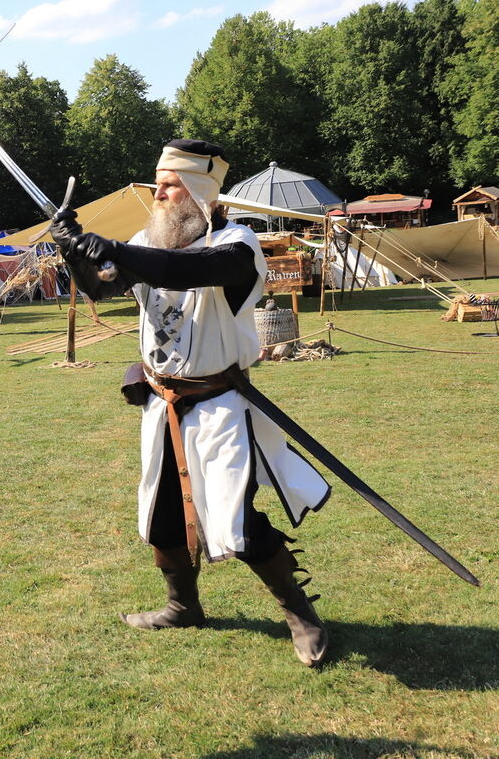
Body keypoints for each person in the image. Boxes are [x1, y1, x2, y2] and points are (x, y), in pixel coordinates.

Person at [49, 140, 332, 667]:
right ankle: (183, 606)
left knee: (235, 521)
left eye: (169, 184)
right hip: (161, 402)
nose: (158, 194)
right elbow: (103, 288)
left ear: (199, 191)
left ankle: (300, 613)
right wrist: (73, 250)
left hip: (220, 405)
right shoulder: (144, 241)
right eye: (158, 183)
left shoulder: (237, 245)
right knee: (161, 517)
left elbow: (185, 270)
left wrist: (108, 247)